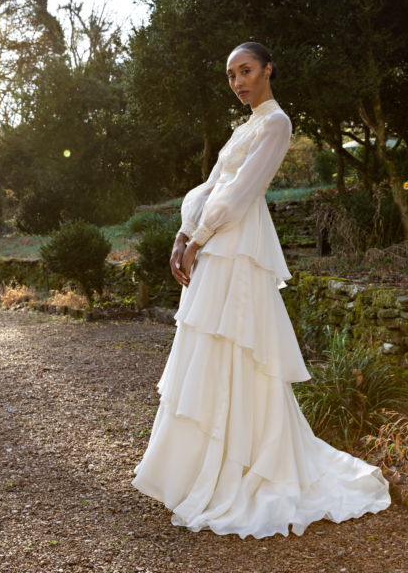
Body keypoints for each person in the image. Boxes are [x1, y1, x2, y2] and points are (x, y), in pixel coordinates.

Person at [131, 42, 390, 539]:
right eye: (231, 76)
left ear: (268, 69)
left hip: (238, 251)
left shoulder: (276, 124)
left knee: (240, 349)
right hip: (212, 249)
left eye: (246, 71)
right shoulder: (242, 129)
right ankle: (194, 468)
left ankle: (246, 465)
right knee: (207, 347)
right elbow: (209, 185)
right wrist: (182, 237)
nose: (238, 82)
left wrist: (199, 239)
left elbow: (241, 191)